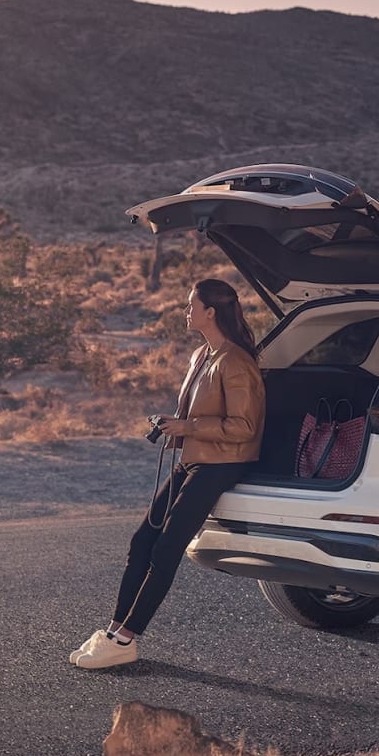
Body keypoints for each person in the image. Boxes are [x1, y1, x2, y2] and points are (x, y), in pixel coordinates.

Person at [69, 279, 265, 669]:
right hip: (195, 458)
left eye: (191, 304)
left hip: (223, 463)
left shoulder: (237, 362)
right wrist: (174, 425)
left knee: (165, 549)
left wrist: (188, 427)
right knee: (142, 541)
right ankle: (113, 630)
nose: (185, 310)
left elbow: (245, 427)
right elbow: (200, 415)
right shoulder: (201, 356)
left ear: (211, 311)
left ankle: (125, 639)